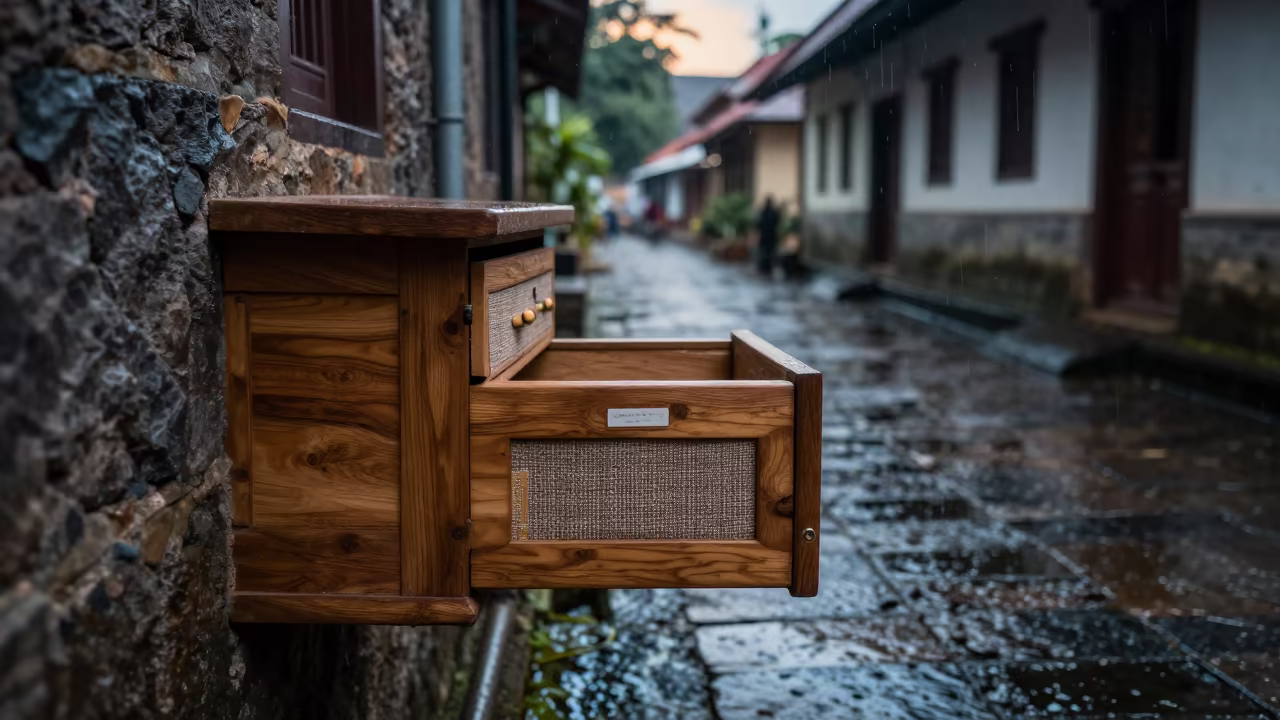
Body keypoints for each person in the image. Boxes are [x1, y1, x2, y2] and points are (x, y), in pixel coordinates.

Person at [756, 195, 780, 276]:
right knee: (766, 252)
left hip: (769, 236)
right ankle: (765, 267)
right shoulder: (766, 212)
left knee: (768, 252)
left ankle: (766, 267)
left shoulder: (768, 212)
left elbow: (759, 224)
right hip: (768, 235)